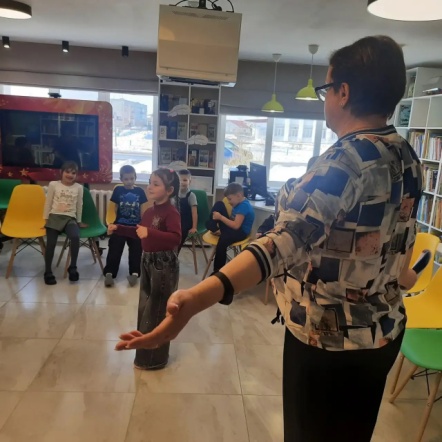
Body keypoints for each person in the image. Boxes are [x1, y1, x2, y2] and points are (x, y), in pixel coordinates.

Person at [116, 36, 423, 442]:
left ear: (344, 93)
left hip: (329, 342)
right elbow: (397, 238)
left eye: (326, 90)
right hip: (383, 333)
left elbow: (279, 246)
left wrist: (197, 299)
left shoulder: (343, 161)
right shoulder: (406, 155)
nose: (325, 100)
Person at [109, 168, 181, 370]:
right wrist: (120, 228)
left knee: (157, 310)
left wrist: (149, 233)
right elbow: (138, 232)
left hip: (163, 265)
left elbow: (175, 238)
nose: (150, 187)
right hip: (148, 261)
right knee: (145, 308)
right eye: (150, 182)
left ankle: (154, 359)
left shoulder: (171, 212)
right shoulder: (149, 212)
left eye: (156, 184)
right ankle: (144, 355)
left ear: (169, 190)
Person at [103, 165, 148, 287]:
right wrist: (111, 223)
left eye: (132, 178)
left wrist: (143, 225)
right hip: (119, 226)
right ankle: (109, 273)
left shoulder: (140, 192)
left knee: (136, 249)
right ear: (121, 179)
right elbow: (113, 209)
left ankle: (134, 273)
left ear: (135, 178)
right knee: (114, 247)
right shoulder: (118, 190)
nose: (129, 181)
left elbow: (143, 210)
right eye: (126, 179)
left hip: (135, 228)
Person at [43, 161, 86, 285]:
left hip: (70, 218)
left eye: (73, 173)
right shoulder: (53, 185)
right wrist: (45, 219)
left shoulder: (79, 187)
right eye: (67, 172)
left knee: (75, 236)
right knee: (51, 243)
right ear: (61, 172)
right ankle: (47, 271)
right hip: (54, 217)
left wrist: (79, 221)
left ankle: (73, 267)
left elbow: (79, 205)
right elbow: (48, 202)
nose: (70, 175)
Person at [256, 156, 319, 239]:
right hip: (281, 237)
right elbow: (277, 215)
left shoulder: (319, 200)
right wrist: (262, 229)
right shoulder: (291, 189)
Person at [205, 182, 255, 273]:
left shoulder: (244, 206)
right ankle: (213, 226)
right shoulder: (238, 203)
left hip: (240, 232)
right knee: (219, 204)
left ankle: (218, 271)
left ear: (238, 195)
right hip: (232, 228)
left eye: (230, 199)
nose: (228, 202)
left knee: (222, 242)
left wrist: (220, 217)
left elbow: (236, 226)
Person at [177, 169, 198, 253]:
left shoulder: (191, 195)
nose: (182, 182)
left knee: (179, 238)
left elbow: (194, 213)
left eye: (185, 180)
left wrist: (194, 227)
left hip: (185, 222)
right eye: (179, 180)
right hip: (175, 220)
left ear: (190, 182)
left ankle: (175, 254)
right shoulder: (174, 194)